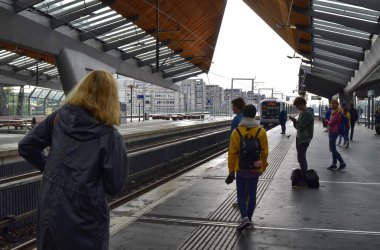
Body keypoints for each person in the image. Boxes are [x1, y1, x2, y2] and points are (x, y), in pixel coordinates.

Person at [18, 71, 128, 250]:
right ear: (110, 98)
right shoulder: (110, 137)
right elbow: (115, 186)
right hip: (87, 218)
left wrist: (50, 170)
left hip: (52, 208)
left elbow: (26, 146)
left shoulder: (59, 118)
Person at [226, 104, 268, 231]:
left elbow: (232, 153)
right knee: (252, 195)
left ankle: (244, 218)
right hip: (255, 168)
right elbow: (264, 153)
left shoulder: (236, 132)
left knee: (241, 195)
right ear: (255, 115)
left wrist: (231, 171)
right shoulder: (261, 131)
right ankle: (249, 219)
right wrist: (262, 168)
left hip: (240, 168)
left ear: (243, 115)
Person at [289, 97, 314, 188]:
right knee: (301, 159)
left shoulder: (307, 114)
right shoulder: (303, 113)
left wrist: (295, 121)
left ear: (302, 103)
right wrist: (295, 121)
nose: (297, 108)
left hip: (304, 139)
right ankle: (304, 178)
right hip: (301, 138)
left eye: (298, 105)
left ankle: (304, 181)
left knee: (302, 159)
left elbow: (300, 127)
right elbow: (299, 127)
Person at [323, 99, 346, 171]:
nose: (333, 105)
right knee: (333, 148)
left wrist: (325, 121)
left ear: (337, 104)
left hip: (334, 131)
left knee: (332, 149)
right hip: (332, 131)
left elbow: (332, 123)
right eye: (332, 104)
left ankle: (342, 163)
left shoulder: (338, 113)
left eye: (334, 104)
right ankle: (334, 164)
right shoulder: (333, 112)